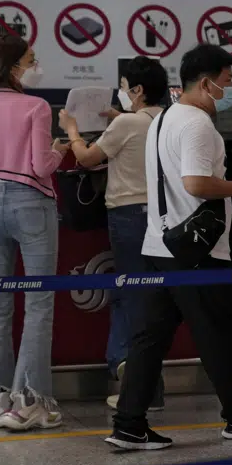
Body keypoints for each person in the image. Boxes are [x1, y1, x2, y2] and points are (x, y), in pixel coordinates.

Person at [107, 44, 232, 450]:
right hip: (196, 251)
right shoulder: (197, 124)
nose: (231, 89)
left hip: (159, 245)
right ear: (206, 83)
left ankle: (129, 422)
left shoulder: (163, 119)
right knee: (219, 333)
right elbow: (195, 184)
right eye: (227, 82)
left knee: (149, 338)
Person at [0, 34, 70, 431]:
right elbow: (41, 166)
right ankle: (27, 401)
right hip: (31, 205)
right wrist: (59, 150)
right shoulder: (36, 106)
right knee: (39, 302)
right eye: (31, 59)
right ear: (14, 68)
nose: (36, 65)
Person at [60, 56, 169, 412]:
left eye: (124, 87)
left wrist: (73, 131)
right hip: (161, 218)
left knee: (130, 297)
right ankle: (149, 385)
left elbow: (88, 158)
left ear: (137, 90)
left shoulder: (127, 124)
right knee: (151, 298)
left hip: (128, 216)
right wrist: (117, 120)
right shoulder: (165, 118)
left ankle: (139, 389)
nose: (122, 92)